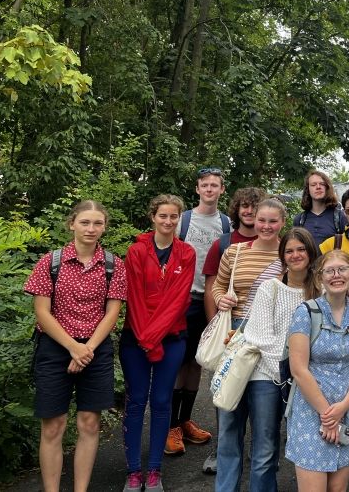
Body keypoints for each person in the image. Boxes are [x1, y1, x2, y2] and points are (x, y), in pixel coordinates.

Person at [25, 200, 127, 492]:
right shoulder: (51, 261)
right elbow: (42, 312)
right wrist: (73, 348)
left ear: (104, 227)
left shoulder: (112, 264)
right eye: (85, 222)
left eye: (97, 223)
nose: (91, 229)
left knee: (89, 423)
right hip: (55, 346)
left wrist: (87, 349)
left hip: (95, 347)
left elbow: (112, 313)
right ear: (72, 224)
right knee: (53, 425)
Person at [211, 198, 288, 492]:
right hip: (235, 341)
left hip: (270, 346)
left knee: (266, 434)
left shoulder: (288, 256)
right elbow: (218, 285)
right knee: (229, 427)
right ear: (253, 221)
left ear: (283, 222)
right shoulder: (235, 252)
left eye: (273, 221)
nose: (266, 226)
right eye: (261, 220)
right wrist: (220, 299)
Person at [121, 195, 195, 492]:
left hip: (171, 339)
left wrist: (153, 339)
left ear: (179, 219)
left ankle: (154, 470)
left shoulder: (186, 253)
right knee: (136, 401)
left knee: (162, 401)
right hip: (135, 339)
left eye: (173, 217)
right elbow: (134, 299)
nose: (168, 221)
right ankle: (133, 471)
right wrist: (147, 340)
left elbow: (178, 301)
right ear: (153, 217)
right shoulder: (136, 251)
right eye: (162, 216)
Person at [285, 250, 349, 492]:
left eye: (342, 269)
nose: (337, 275)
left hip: (348, 409)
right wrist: (328, 415)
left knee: (338, 489)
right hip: (311, 411)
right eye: (330, 270)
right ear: (319, 278)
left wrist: (342, 408)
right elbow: (299, 369)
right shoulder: (305, 312)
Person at [198, 186, 265, 475]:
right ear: (236, 210)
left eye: (254, 206)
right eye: (244, 207)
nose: (249, 211)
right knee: (225, 392)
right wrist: (216, 326)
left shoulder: (279, 244)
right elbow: (212, 288)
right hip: (230, 330)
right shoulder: (224, 244)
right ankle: (221, 450)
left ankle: (257, 454)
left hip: (264, 335)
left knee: (261, 398)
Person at [168, 167, 230, 456]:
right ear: (197, 188)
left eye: (214, 185)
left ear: (221, 190)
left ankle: (185, 420)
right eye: (204, 185)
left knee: (197, 362)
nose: (209, 189)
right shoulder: (183, 220)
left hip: (211, 299)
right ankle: (171, 426)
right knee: (178, 362)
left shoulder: (226, 223)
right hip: (182, 300)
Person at [292, 170, 348, 246]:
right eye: (313, 184)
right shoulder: (299, 220)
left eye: (322, 184)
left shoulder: (340, 217)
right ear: (308, 190)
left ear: (327, 187)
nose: (318, 187)